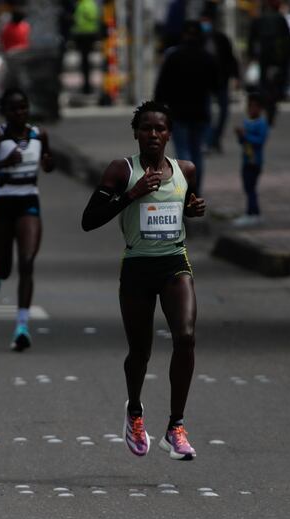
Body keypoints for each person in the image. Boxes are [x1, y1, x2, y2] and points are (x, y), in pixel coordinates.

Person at [81, 101, 206, 460]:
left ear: (169, 134)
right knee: (141, 351)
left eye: (160, 129)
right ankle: (134, 412)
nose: (153, 134)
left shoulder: (185, 170)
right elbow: (89, 220)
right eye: (146, 128)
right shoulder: (122, 170)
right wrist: (131, 195)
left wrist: (193, 210)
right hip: (137, 266)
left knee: (185, 336)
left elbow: (181, 208)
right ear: (136, 133)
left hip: (174, 263)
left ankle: (175, 427)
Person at [0, 88, 55, 351]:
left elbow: (49, 163)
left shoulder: (39, 135)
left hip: (29, 202)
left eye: (24, 108)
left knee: (27, 262)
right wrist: (2, 163)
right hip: (2, 204)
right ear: (4, 112)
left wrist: (49, 163)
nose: (20, 113)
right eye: (14, 109)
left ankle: (22, 327)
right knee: (6, 268)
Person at [154, 20, 218, 196]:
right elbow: (216, 85)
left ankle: (186, 189)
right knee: (197, 151)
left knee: (183, 151)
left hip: (178, 112)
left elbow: (161, 86)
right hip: (200, 113)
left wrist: (158, 108)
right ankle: (196, 190)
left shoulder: (174, 56)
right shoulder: (207, 57)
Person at [247, 0, 290, 125]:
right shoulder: (280, 19)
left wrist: (251, 55)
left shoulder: (259, 19)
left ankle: (265, 100)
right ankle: (272, 99)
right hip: (277, 58)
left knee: (264, 82)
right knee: (278, 83)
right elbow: (288, 39)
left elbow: (252, 39)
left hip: (265, 57)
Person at [200, 5, 239, 153]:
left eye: (207, 20)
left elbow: (230, 59)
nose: (205, 23)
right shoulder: (199, 40)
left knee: (224, 112)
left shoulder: (221, 39)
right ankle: (209, 141)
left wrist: (235, 76)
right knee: (207, 113)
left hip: (221, 81)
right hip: (204, 84)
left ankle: (215, 138)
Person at [232, 93, 269, 227]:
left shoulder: (262, 123)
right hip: (247, 160)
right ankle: (254, 213)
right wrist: (240, 135)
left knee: (251, 188)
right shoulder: (248, 122)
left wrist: (245, 135)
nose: (251, 109)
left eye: (255, 107)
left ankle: (252, 213)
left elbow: (259, 141)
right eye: (250, 106)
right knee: (248, 187)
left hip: (255, 162)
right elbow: (243, 142)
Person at [70, 0, 100, 94]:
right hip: (86, 35)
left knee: (85, 64)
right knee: (85, 63)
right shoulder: (87, 4)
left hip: (86, 35)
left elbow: (89, 18)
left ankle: (86, 88)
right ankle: (86, 87)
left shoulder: (86, 4)